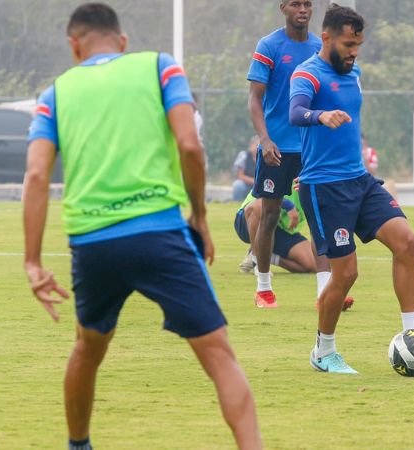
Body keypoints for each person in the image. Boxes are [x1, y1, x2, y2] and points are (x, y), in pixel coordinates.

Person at [22, 4, 261, 449]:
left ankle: (79, 445)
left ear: (75, 45)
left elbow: (36, 176)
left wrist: (33, 262)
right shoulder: (160, 67)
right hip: (160, 235)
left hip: (93, 244)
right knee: (219, 357)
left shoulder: (55, 92)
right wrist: (201, 217)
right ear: (123, 41)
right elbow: (190, 145)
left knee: (87, 349)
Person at [288, 4, 414, 374]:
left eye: (358, 44)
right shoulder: (307, 74)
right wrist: (319, 116)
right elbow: (295, 113)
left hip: (360, 180)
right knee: (345, 274)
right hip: (324, 186)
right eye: (347, 43)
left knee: (406, 241)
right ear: (326, 37)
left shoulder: (354, 71)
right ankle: (323, 351)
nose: (354, 51)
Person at [247, 0, 326, 308]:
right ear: (283, 8)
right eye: (296, 4)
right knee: (268, 217)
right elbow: (255, 99)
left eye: (307, 4)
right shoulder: (269, 46)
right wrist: (264, 139)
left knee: (322, 217)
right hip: (277, 149)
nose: (303, 9)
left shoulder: (321, 47)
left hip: (312, 147)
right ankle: (264, 287)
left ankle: (326, 291)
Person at [235, 184, 315, 276]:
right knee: (259, 205)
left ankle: (268, 256)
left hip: (280, 228)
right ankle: (258, 261)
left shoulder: (313, 176)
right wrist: (288, 205)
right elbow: (262, 192)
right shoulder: (277, 169)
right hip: (248, 220)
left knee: (312, 264)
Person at [232, 135, 258, 201]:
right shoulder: (244, 156)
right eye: (256, 145)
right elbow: (239, 175)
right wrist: (254, 181)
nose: (258, 148)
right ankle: (237, 202)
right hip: (246, 185)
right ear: (251, 146)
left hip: (260, 186)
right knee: (238, 185)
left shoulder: (266, 158)